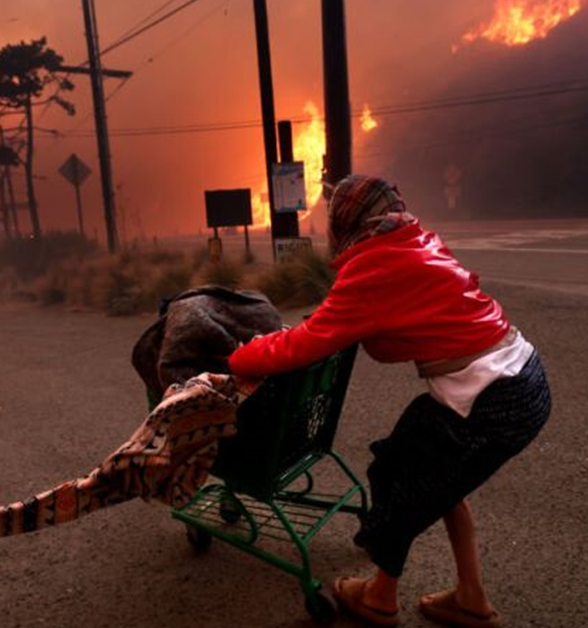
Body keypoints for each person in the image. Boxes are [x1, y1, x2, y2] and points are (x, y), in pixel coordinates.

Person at [228, 175, 551, 628]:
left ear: (347, 220)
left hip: (491, 399)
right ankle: (470, 597)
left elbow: (302, 345)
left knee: (400, 473)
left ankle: (380, 597)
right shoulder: (414, 240)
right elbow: (394, 339)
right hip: (523, 375)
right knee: (433, 473)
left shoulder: (371, 268)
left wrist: (238, 356)